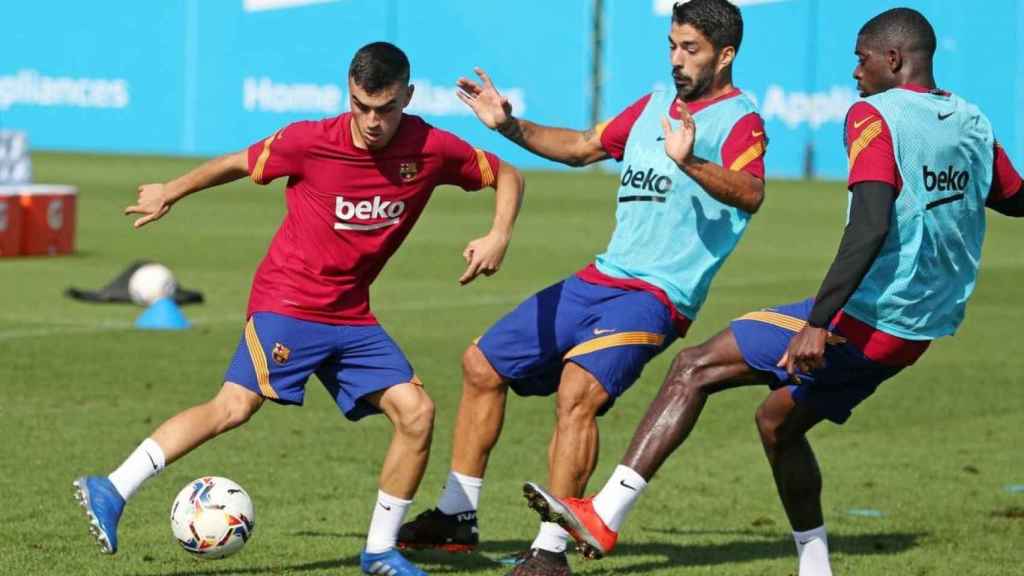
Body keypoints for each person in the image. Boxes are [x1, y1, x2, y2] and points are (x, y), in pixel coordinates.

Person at [521, 7, 1024, 576]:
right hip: (916, 329)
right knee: (777, 424)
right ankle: (815, 567)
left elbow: (870, 225)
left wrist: (818, 323)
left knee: (694, 367)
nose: (854, 72)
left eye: (861, 59)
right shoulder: (969, 120)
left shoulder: (875, 116)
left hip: (867, 318)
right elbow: (1012, 196)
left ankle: (605, 513)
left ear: (893, 59)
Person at [72, 41, 525, 576]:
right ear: (348, 94)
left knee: (417, 413)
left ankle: (380, 552)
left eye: (385, 108)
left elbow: (506, 173)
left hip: (352, 315)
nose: (372, 121)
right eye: (361, 106)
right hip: (287, 302)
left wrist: (499, 233)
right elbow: (237, 162)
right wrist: (170, 190)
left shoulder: (430, 146)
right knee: (234, 407)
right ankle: (114, 487)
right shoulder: (311, 141)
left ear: (408, 96)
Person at [397, 1, 768, 574]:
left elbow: (750, 191)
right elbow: (581, 147)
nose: (676, 59)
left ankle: (551, 550)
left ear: (725, 55)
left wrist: (689, 160)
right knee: (480, 364)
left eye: (689, 49)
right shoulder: (652, 106)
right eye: (671, 45)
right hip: (602, 276)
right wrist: (510, 126)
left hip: (659, 295)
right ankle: (456, 515)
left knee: (579, 391)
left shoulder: (741, 119)